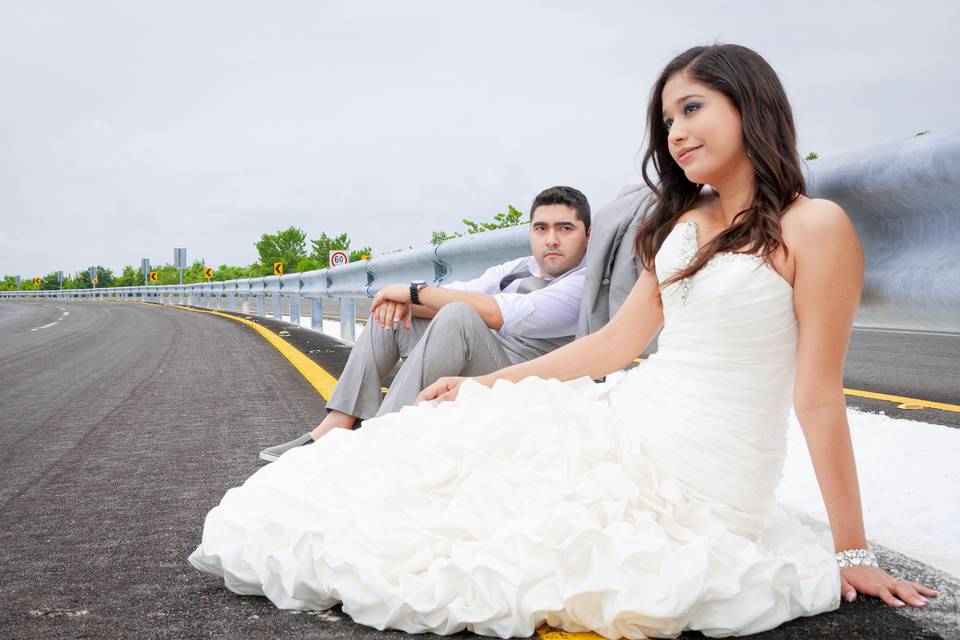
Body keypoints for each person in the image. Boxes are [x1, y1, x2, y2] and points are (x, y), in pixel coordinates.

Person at [190, 44, 937, 638]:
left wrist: (852, 552)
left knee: (536, 546)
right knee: (440, 474)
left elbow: (815, 396)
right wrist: (487, 384)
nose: (675, 134)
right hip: (627, 416)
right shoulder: (683, 227)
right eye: (666, 122)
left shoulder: (817, 227)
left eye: (691, 109)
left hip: (710, 473)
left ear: (751, 104)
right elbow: (615, 345)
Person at [259, 185, 591, 462]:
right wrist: (403, 301)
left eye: (565, 228)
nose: (551, 239)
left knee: (458, 314)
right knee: (391, 314)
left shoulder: (584, 283)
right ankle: (338, 423)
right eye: (541, 228)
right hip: (483, 362)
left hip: (521, 381)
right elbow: (464, 291)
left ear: (587, 235)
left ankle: (376, 439)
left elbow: (499, 312)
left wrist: (415, 291)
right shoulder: (519, 267)